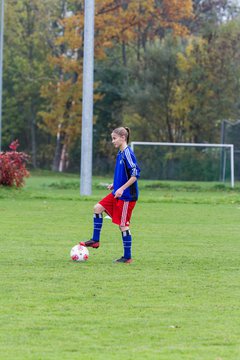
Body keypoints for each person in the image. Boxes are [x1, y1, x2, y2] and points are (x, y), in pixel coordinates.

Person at [80, 127, 140, 263]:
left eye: (114, 138)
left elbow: (135, 175)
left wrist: (122, 189)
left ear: (123, 137)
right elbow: (123, 174)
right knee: (97, 208)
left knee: (123, 226)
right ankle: (95, 240)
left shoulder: (128, 154)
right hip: (117, 193)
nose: (112, 141)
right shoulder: (120, 153)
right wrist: (115, 185)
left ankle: (127, 257)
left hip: (127, 197)